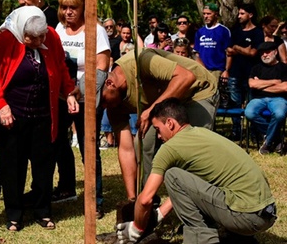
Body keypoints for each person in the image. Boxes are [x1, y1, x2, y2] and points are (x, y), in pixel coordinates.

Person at [116, 98, 276, 244]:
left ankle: (202, 240)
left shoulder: (170, 147)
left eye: (158, 129)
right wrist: (160, 214)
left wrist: (136, 228)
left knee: (172, 175)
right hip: (266, 214)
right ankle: (238, 239)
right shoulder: (203, 135)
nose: (158, 136)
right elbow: (191, 190)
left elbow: (145, 199)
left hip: (246, 217)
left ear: (170, 123)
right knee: (187, 178)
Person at [0, 5, 79, 231]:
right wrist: (1, 104)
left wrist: (70, 93)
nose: (37, 41)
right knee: (12, 167)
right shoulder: (6, 39)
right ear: (19, 31)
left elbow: (61, 68)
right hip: (13, 117)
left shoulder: (51, 37)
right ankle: (14, 215)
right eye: (31, 38)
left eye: (40, 37)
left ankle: (43, 211)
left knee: (43, 168)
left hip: (44, 116)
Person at [101, 48, 218, 201]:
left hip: (196, 90)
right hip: (163, 103)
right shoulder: (113, 104)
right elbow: (126, 149)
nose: (103, 106)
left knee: (190, 151)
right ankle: (147, 198)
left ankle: (201, 209)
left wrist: (150, 111)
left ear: (110, 83)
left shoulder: (140, 61)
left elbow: (186, 77)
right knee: (141, 144)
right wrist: (133, 199)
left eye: (102, 100)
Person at [53, 0, 110, 219]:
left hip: (85, 97)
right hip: (60, 97)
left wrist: (78, 91)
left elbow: (102, 66)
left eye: (73, 7)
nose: (68, 12)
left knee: (89, 149)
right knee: (56, 142)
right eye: (64, 7)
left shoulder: (96, 31)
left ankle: (95, 201)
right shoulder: (58, 29)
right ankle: (66, 187)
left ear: (84, 7)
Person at [226, 3, 264, 140]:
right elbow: (229, 51)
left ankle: (254, 133)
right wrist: (243, 50)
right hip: (235, 73)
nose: (239, 16)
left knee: (252, 104)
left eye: (242, 13)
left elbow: (253, 53)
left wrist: (237, 48)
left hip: (251, 75)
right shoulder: (236, 31)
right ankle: (237, 131)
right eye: (239, 13)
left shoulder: (258, 32)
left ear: (250, 15)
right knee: (235, 104)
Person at [244, 42, 287, 155]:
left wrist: (261, 85)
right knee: (249, 113)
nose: (264, 55)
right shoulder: (256, 68)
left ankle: (268, 142)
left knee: (279, 114)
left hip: (279, 98)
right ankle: (276, 138)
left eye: (267, 52)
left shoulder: (284, 68)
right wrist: (274, 82)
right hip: (258, 99)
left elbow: (285, 87)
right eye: (262, 53)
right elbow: (252, 84)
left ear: (275, 52)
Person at [193, 3, 231, 83]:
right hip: (202, 70)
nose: (205, 16)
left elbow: (229, 53)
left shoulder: (223, 31)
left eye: (209, 13)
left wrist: (226, 70)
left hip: (217, 70)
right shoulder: (200, 32)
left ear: (216, 14)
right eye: (204, 14)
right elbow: (196, 53)